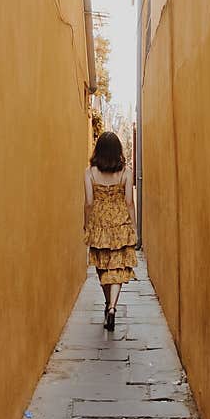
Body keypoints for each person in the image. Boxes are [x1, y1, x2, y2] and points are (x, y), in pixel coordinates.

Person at [83, 131, 137, 331]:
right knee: (117, 267)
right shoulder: (126, 171)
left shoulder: (89, 172)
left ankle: (107, 304)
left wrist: (86, 224)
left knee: (102, 266)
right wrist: (134, 227)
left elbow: (89, 202)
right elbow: (129, 202)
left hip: (99, 224)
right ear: (117, 151)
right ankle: (113, 307)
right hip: (120, 224)